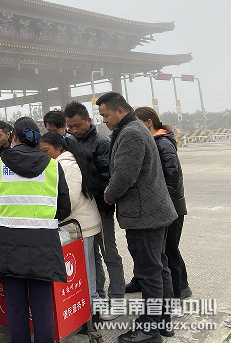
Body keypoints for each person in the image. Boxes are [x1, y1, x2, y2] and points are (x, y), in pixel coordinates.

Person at [97, 93, 177, 343]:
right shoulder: (135, 129)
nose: (104, 121)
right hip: (153, 211)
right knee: (159, 268)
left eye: (105, 115)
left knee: (149, 272)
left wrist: (108, 195)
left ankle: (150, 329)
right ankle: (163, 321)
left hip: (144, 215)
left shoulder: (131, 132)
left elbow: (124, 176)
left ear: (119, 110)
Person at [0, 118, 71, 343]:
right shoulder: (53, 166)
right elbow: (64, 207)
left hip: (8, 241)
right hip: (44, 241)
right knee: (42, 306)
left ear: (13, 137)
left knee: (15, 307)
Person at [64, 101, 125, 318]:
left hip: (101, 209)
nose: (74, 130)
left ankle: (117, 298)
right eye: (70, 127)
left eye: (78, 125)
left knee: (109, 253)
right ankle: (97, 295)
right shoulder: (69, 143)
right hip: (83, 212)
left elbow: (107, 178)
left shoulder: (101, 143)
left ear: (89, 120)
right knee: (92, 256)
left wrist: (104, 207)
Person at [39, 131, 102, 324]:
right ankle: (89, 310)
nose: (44, 155)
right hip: (79, 224)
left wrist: (49, 212)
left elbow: (70, 199)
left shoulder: (67, 165)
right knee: (84, 269)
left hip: (80, 225)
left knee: (84, 271)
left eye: (46, 150)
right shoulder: (63, 162)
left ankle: (91, 313)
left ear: (59, 148)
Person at [133, 107, 189, 301]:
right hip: (165, 205)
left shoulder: (162, 143)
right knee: (162, 250)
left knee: (169, 250)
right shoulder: (153, 141)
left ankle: (180, 289)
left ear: (149, 122)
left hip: (171, 206)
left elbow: (172, 177)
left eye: (138, 122)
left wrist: (163, 202)